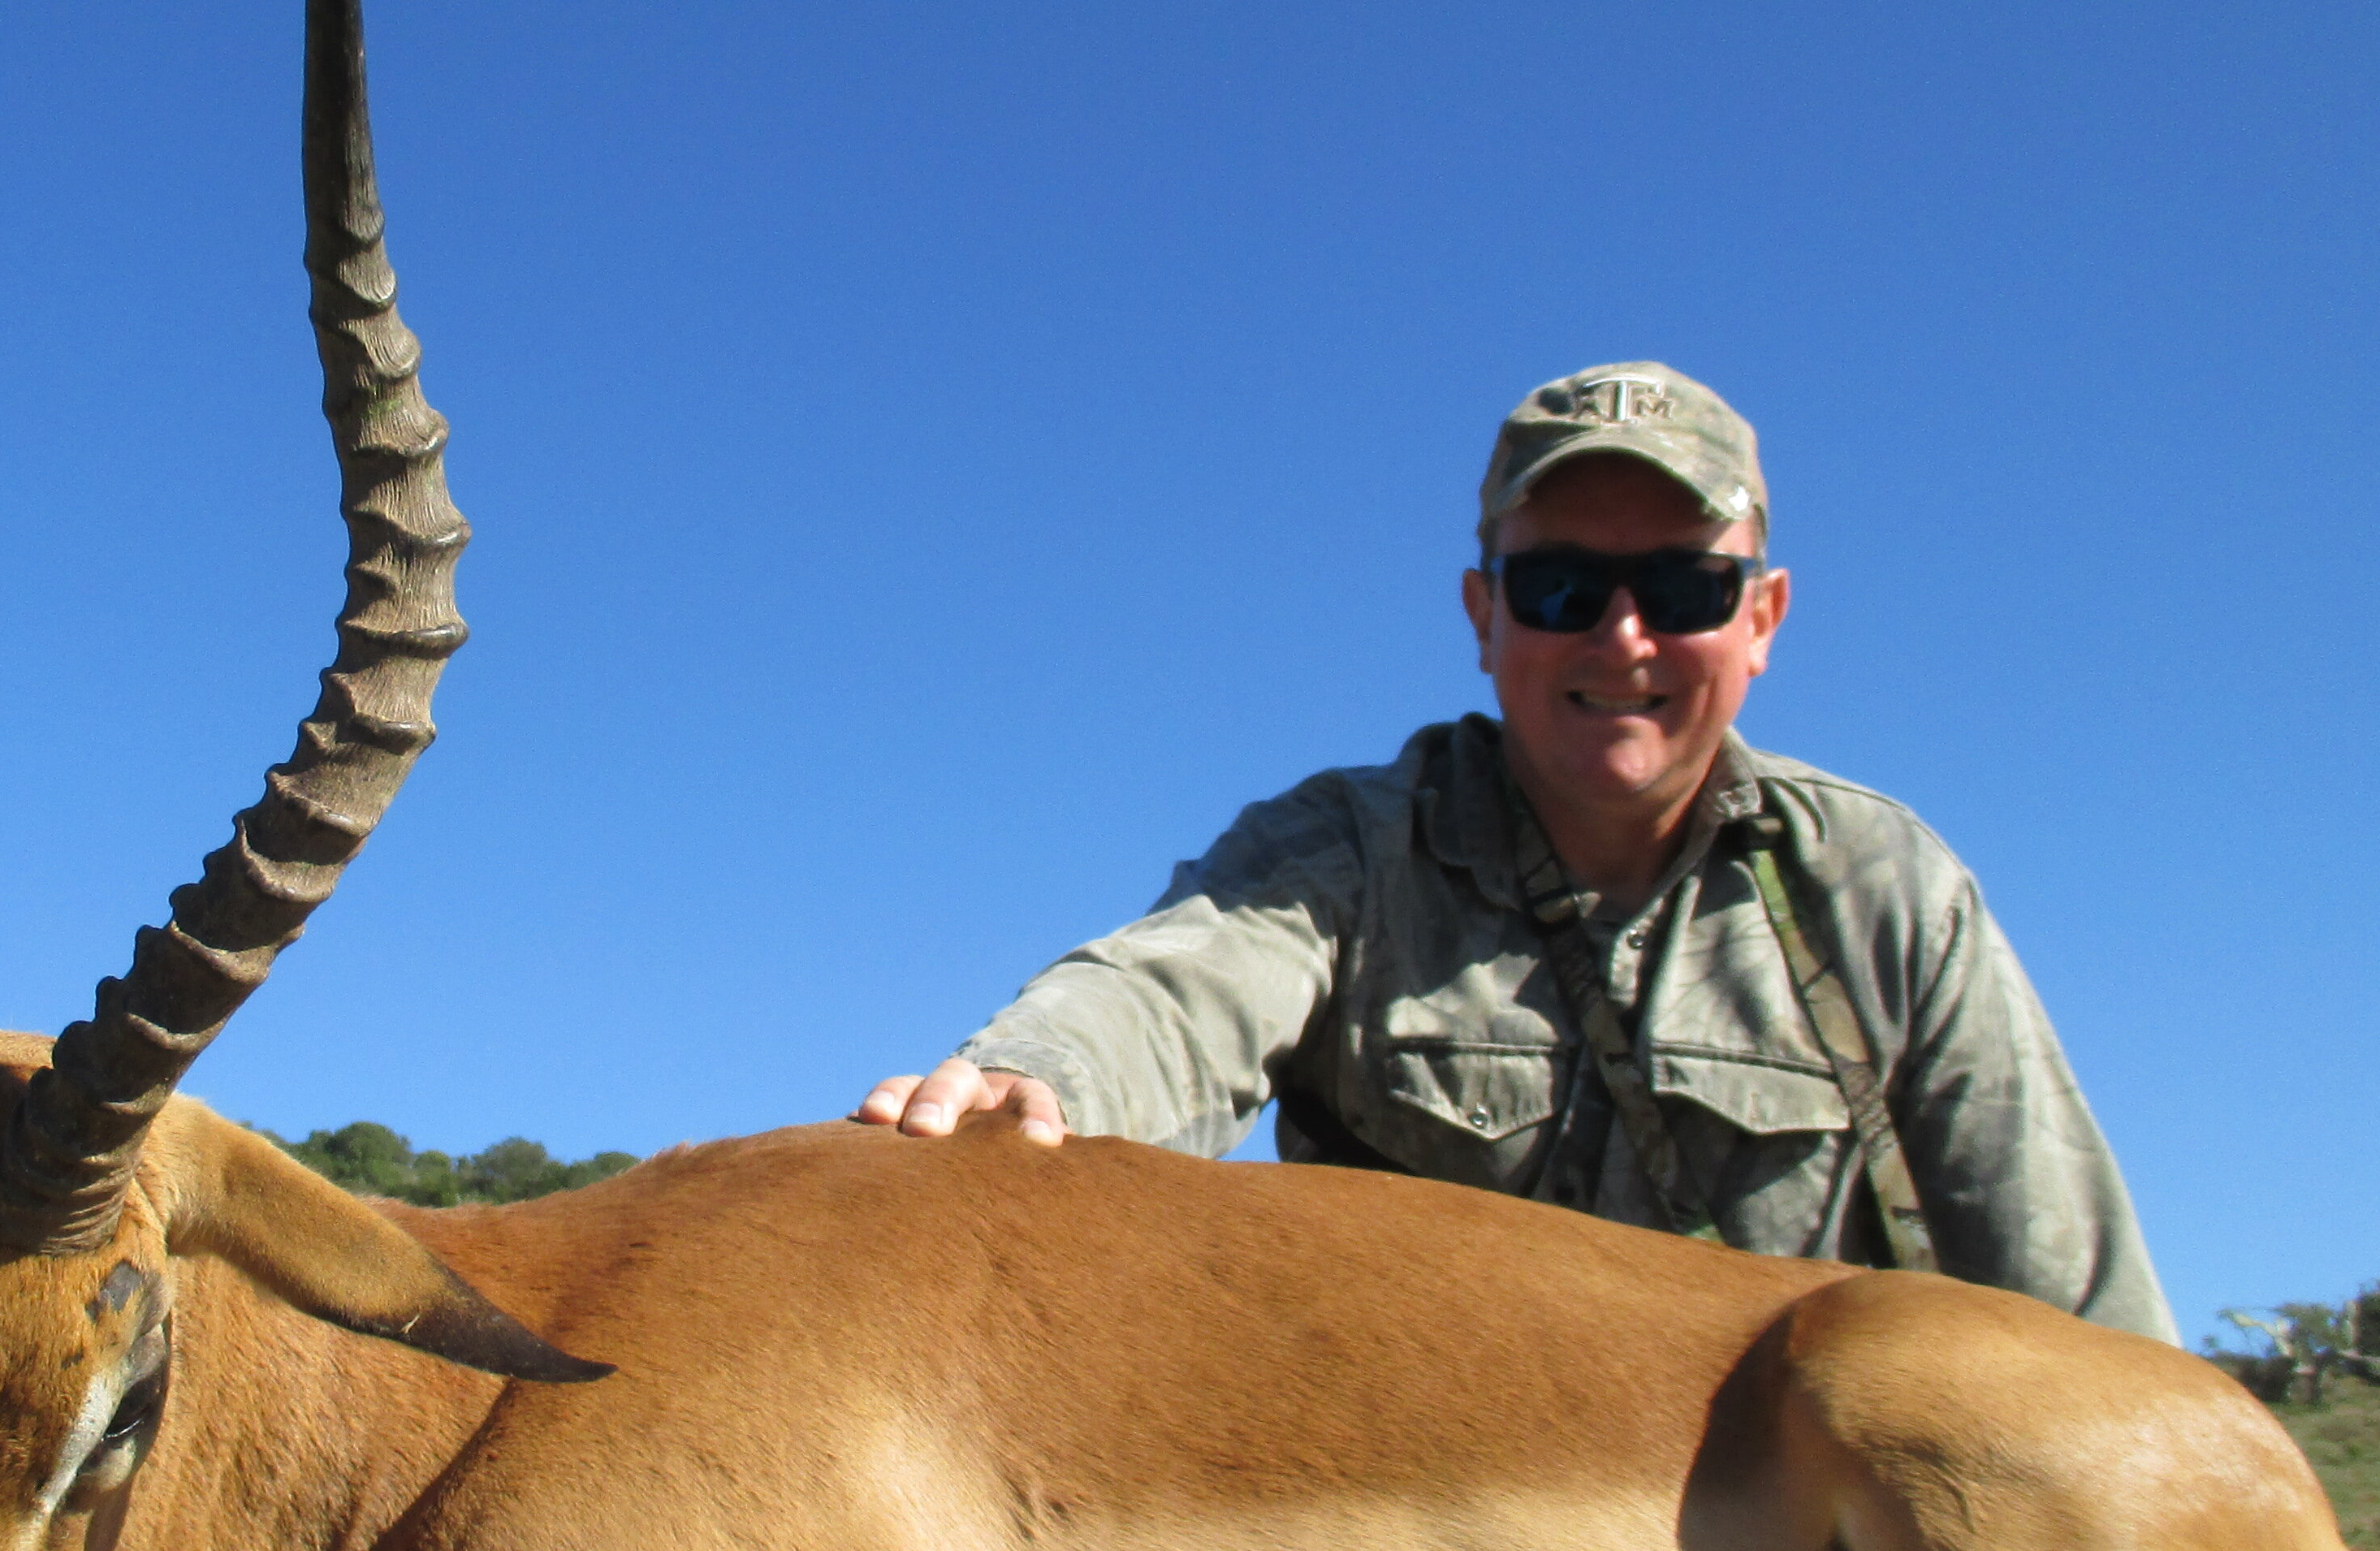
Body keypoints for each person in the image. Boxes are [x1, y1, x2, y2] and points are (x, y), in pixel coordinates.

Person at [855, 363, 2174, 1340]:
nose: (1622, 638)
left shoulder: (1885, 888)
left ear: (1762, 618)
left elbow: (2079, 1301)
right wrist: (1029, 1086)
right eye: (1559, 590)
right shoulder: (1349, 853)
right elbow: (1169, 992)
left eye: (1684, 590)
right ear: (1484, 616)